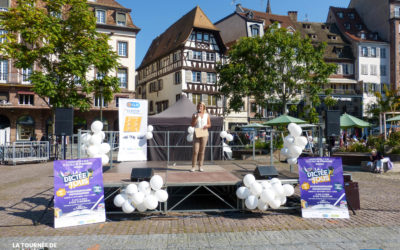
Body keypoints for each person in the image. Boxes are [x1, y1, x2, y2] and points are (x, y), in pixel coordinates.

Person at [191, 102, 211, 172]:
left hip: (204, 132)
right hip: (197, 131)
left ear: (204, 107)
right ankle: (193, 166)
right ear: (197, 107)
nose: (200, 107)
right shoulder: (194, 114)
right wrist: (197, 117)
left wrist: (207, 126)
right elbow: (192, 125)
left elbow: (209, 124)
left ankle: (200, 166)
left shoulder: (206, 115)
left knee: (202, 151)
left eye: (201, 106)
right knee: (195, 151)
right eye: (199, 106)